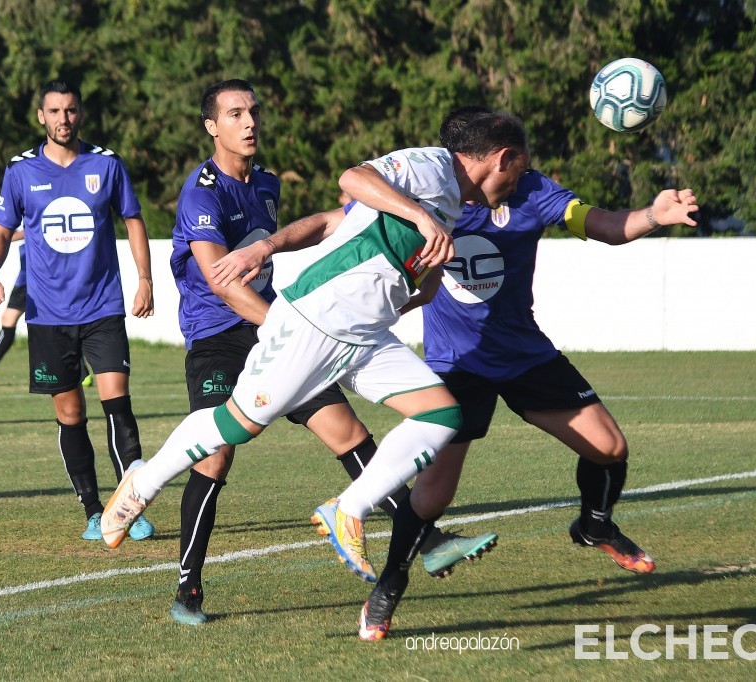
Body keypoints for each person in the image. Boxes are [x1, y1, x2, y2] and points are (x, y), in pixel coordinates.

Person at [100, 112, 529, 608]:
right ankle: (142, 483)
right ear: (503, 157)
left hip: (366, 333)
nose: (519, 183)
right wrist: (421, 218)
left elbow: (385, 238)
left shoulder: (451, 202)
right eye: (521, 169)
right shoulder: (433, 166)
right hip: (317, 320)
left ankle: (348, 508)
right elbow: (353, 179)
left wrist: (426, 277)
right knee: (234, 427)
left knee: (441, 414)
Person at [348, 105, 701, 641]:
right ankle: (387, 589)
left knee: (609, 448)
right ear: (503, 158)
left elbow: (602, 224)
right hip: (457, 366)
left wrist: (653, 215)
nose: (523, 173)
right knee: (431, 495)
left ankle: (594, 525)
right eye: (521, 164)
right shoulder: (428, 190)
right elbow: (352, 189)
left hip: (525, 356)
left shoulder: (532, 191)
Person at [0, 79, 155, 542]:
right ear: (41, 116)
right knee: (71, 413)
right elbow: (2, 231)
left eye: (71, 110)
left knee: (118, 405)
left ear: (81, 114)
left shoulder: (107, 164)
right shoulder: (19, 172)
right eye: (55, 111)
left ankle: (128, 505)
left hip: (102, 306)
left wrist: (145, 279)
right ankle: (94, 510)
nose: (64, 119)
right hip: (47, 314)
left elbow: (133, 220)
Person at [0, 228, 94, 388]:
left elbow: (31, 228)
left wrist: (3, 240)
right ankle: (82, 374)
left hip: (32, 276)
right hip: (33, 273)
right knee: (54, 321)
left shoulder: (33, 205)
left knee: (15, 319)